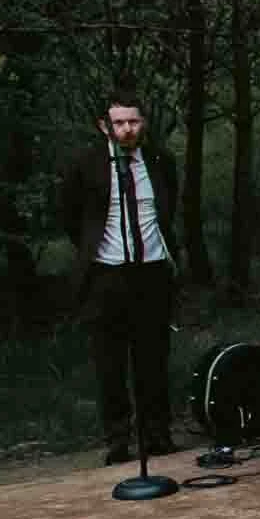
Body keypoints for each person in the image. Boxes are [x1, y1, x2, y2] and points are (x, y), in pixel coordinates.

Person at [59, 89, 180, 463]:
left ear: (143, 123)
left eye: (134, 121)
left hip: (152, 273)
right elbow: (69, 215)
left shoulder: (161, 161)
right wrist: (94, 251)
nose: (127, 129)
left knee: (153, 358)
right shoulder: (86, 165)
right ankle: (117, 439)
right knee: (109, 361)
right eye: (119, 123)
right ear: (104, 126)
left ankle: (157, 434)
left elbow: (168, 208)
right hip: (107, 275)